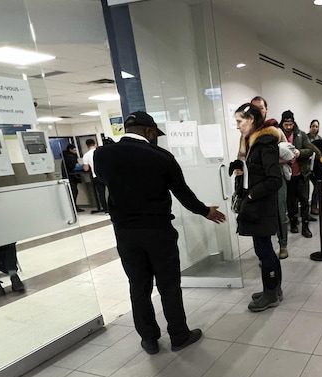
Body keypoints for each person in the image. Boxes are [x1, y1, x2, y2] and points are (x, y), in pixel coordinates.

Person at [94, 111, 226, 354]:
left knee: (138, 286)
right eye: (155, 135)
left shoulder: (102, 154)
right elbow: (183, 194)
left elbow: (103, 179)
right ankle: (178, 336)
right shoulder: (162, 157)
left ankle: (149, 339)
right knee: (169, 285)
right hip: (158, 232)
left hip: (125, 233)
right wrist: (206, 211)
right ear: (149, 132)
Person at [233, 103, 283, 312]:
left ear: (251, 119)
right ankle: (274, 289)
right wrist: (238, 168)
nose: (237, 126)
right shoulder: (253, 143)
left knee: (264, 252)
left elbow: (274, 180)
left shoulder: (264, 144)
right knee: (264, 250)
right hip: (256, 206)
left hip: (261, 207)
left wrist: (252, 194)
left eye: (239, 121)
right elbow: (256, 171)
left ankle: (271, 294)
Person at [250, 96, 291, 259]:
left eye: (261, 107)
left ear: (266, 110)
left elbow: (291, 154)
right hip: (256, 182)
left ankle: (283, 245)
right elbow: (243, 157)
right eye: (254, 108)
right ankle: (265, 251)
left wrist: (271, 161)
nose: (258, 111)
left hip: (276, 178)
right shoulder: (248, 133)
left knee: (280, 212)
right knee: (260, 214)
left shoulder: (276, 131)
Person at [280, 110, 318, 238]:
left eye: (291, 124)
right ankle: (294, 223)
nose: (289, 127)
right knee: (291, 202)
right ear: (282, 123)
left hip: (302, 174)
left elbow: (310, 150)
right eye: (286, 124)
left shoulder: (300, 135)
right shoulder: (278, 136)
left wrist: (299, 152)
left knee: (304, 200)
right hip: (287, 176)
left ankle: (305, 227)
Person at [82, 138, 109, 213]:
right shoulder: (101, 151)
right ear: (95, 143)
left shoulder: (86, 155)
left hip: (96, 176)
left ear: (87, 145)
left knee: (101, 193)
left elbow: (86, 168)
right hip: (106, 174)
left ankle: (106, 209)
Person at [307, 119, 322, 215]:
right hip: (306, 167)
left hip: (316, 167)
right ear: (310, 126)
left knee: (317, 187)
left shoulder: (320, 139)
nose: (314, 128)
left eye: (316, 126)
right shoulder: (305, 137)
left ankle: (314, 207)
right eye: (313, 126)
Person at [62, 143, 84, 212]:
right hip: (70, 177)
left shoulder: (65, 156)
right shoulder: (70, 157)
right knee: (74, 192)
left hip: (68, 177)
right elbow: (73, 167)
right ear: (70, 150)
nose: (75, 151)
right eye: (74, 150)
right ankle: (74, 208)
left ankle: (74, 207)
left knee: (74, 192)